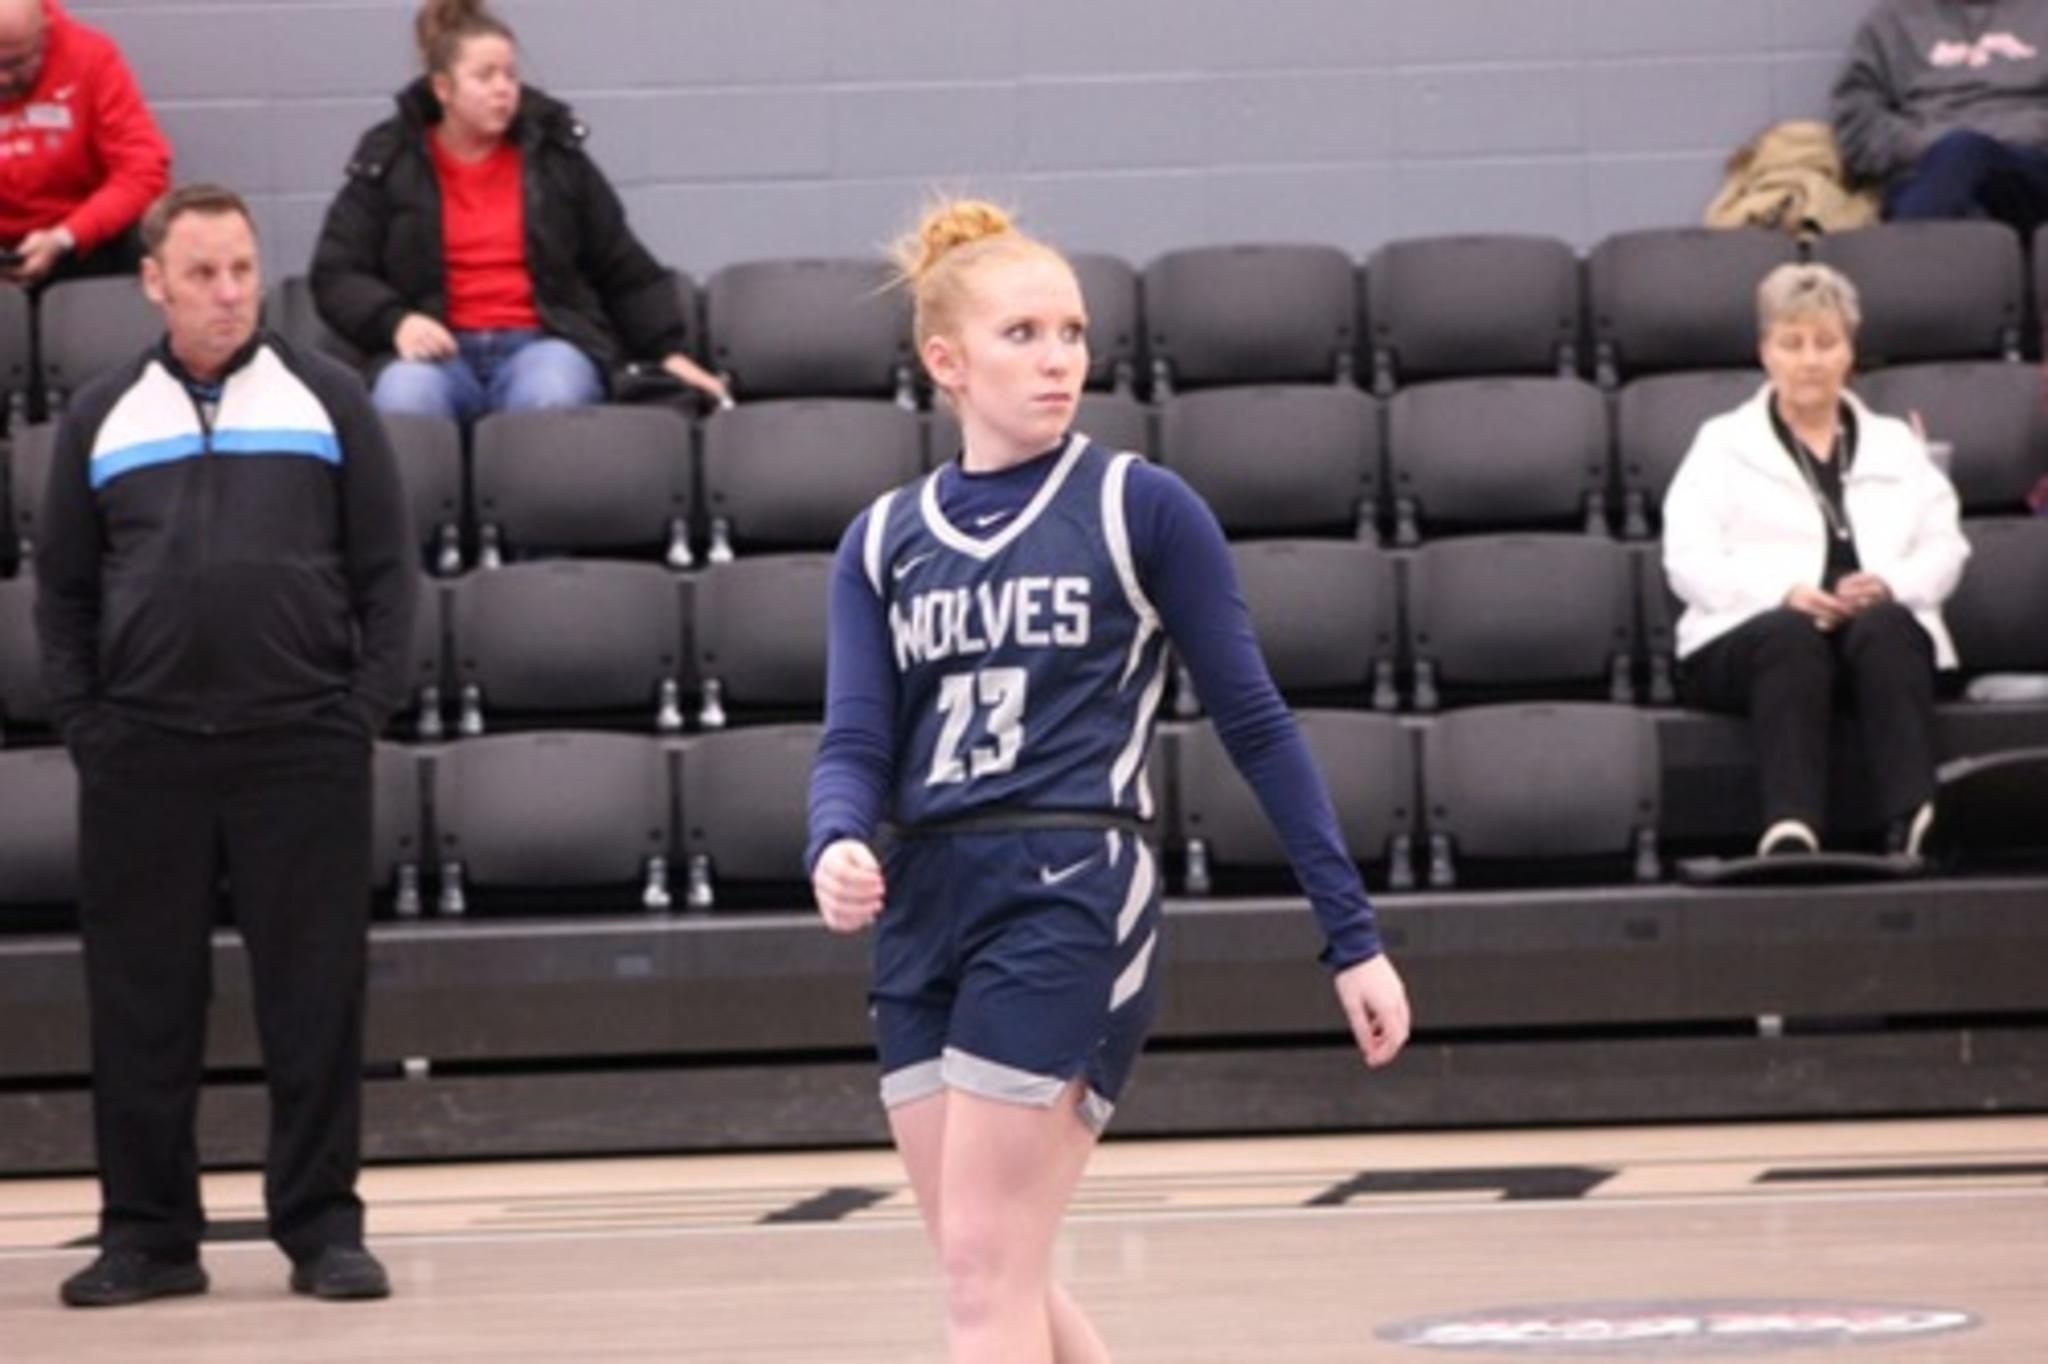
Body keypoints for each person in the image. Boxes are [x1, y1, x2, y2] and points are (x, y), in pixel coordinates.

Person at [807, 199, 1411, 1363]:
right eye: (1022, 333)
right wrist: (832, 837)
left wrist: (1351, 936)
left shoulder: (1138, 506)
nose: (1057, 358)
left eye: (1071, 332)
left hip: (1067, 887)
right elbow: (853, 742)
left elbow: (1257, 726)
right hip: (922, 897)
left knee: (981, 1272)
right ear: (946, 361)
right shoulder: (881, 539)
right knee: (993, 1268)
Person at [35, 183, 416, 1307]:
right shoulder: (102, 415)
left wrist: (356, 714)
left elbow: (387, 577)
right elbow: (62, 596)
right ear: (153, 282)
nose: (228, 293)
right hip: (143, 758)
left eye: (242, 269)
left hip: (301, 750)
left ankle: (323, 1229)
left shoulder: (329, 399)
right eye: (202, 273)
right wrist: (92, 728)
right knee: (140, 1007)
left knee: (314, 1003)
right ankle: (149, 1237)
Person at [1663, 262, 1970, 858]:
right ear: (1765, 353)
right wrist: (1783, 591)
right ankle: (1791, 828)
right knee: (1790, 637)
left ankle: (1917, 818)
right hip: (1751, 636)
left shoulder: (1893, 442)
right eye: (1792, 343)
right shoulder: (1721, 442)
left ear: (1849, 351)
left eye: (1826, 343)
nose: (1810, 360)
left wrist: (1890, 583)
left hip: (1868, 642)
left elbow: (1945, 546)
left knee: (1887, 627)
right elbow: (1688, 559)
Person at [309, 0, 723, 423]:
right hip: (437, 350)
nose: (503, 89)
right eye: (485, 76)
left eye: (510, 74)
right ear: (443, 89)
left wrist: (669, 353)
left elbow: (623, 266)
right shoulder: (390, 162)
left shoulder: (555, 158)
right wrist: (396, 322)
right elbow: (337, 271)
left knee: (550, 395)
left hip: (542, 344)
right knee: (404, 399)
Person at [1831, 0, 2048, 232]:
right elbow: (1857, 120)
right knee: (1957, 172)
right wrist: (1921, 145)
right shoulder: (1891, 21)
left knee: (1964, 153)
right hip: (1929, 170)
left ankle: (1905, 250)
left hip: (2029, 168)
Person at [0, 0, 171, 287]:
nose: (3, 78)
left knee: (157, 236)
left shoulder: (90, 57)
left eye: (16, 63)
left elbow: (144, 169)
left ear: (44, 34)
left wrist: (65, 237)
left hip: (77, 239)